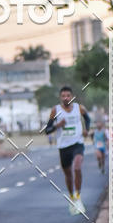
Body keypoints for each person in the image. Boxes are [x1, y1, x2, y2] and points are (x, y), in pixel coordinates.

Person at [45, 86, 91, 215]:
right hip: (63, 146)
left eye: (68, 95)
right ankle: (72, 197)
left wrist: (86, 129)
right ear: (60, 97)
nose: (66, 98)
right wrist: (58, 125)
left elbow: (88, 119)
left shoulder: (79, 108)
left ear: (72, 97)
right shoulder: (56, 110)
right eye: (63, 96)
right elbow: (47, 130)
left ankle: (78, 195)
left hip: (78, 143)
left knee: (77, 167)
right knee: (68, 175)